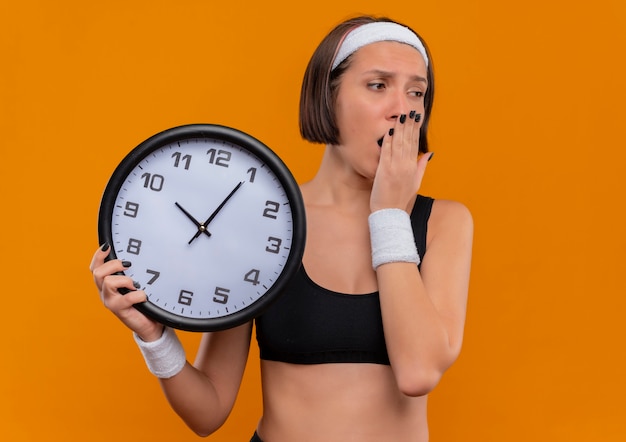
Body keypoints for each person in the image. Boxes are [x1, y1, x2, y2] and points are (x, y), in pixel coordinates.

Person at [90, 15, 473, 442]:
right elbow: (209, 410)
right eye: (378, 85)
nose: (403, 108)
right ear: (329, 99)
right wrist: (154, 336)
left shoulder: (445, 223)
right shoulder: (261, 224)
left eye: (416, 91)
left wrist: (388, 215)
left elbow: (418, 371)